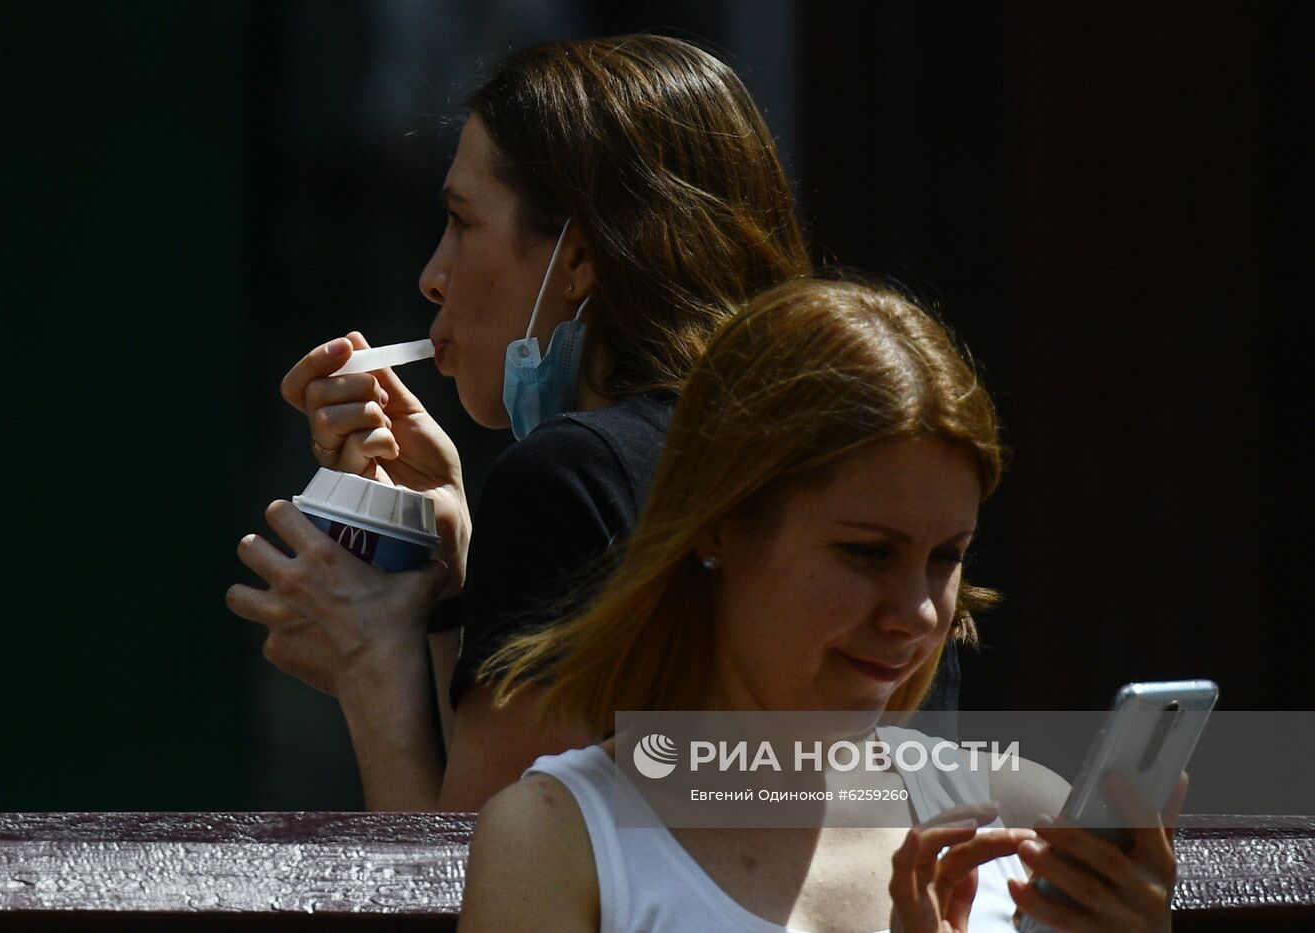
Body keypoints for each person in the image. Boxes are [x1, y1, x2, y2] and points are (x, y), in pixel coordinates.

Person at [225, 35, 958, 812]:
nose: (433, 275)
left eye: (462, 221)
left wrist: (371, 664)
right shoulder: (870, 476)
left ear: (577, 260)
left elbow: (476, 888)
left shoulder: (570, 478)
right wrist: (456, 575)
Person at [458, 278, 1184, 932]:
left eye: (946, 558)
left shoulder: (1021, 816)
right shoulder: (556, 839)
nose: (919, 614)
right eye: (868, 552)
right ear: (719, 521)